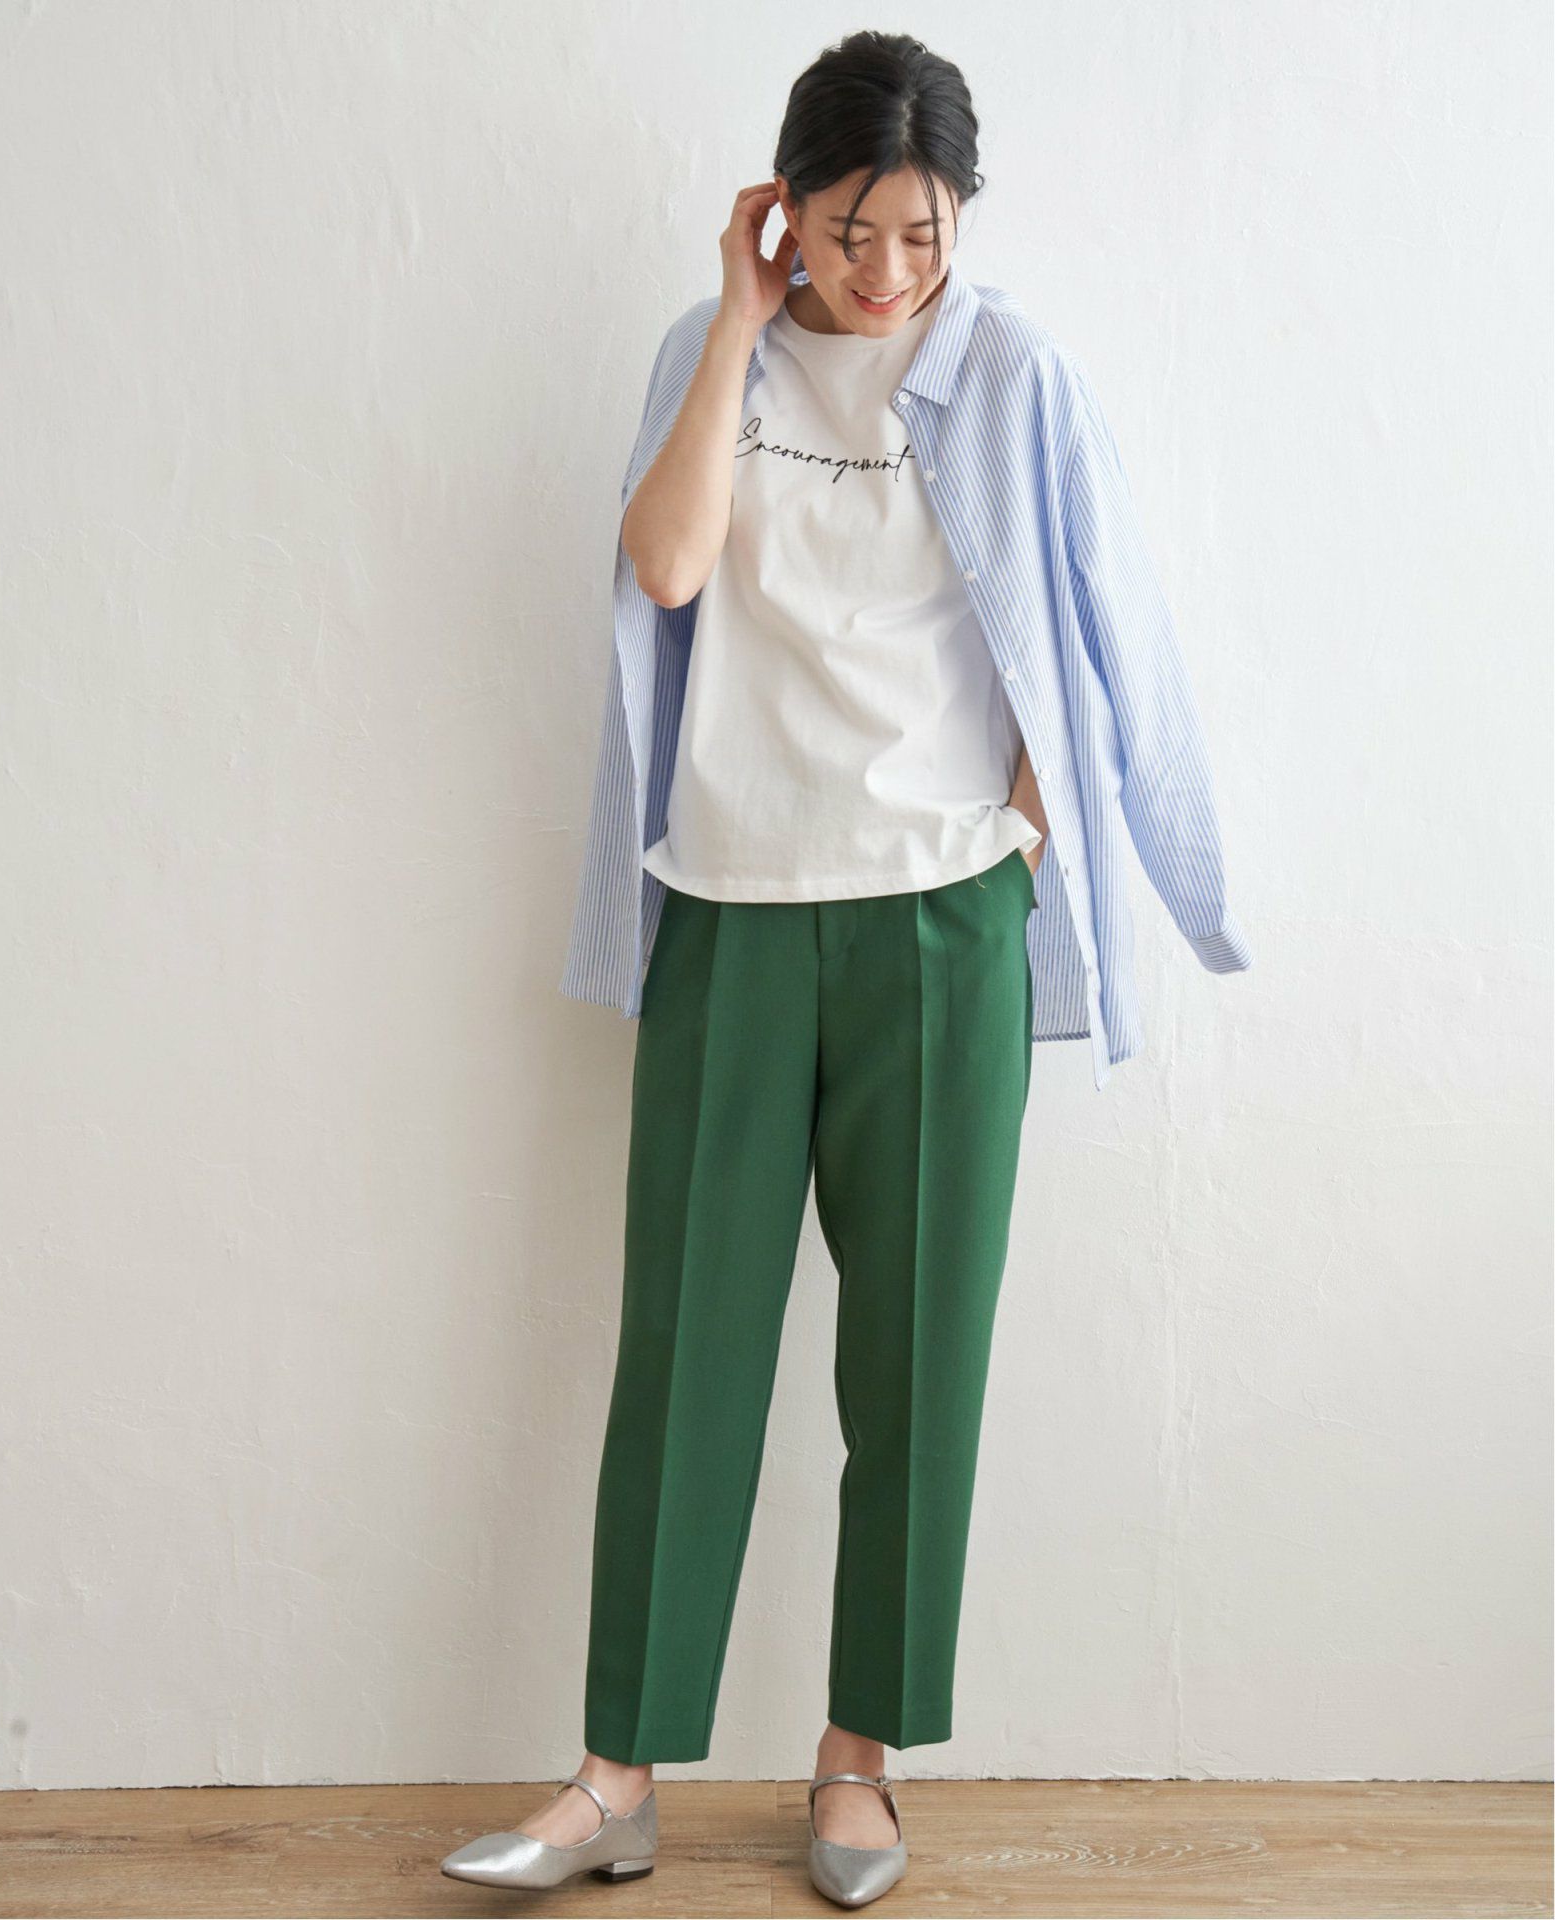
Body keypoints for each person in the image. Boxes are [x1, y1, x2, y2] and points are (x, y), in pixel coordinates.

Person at [443, 28, 1251, 1910]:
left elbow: (1109, 621)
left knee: (916, 1366)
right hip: (728, 912)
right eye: (846, 229)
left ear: (962, 218)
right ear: (780, 211)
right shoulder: (706, 352)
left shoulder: (1018, 376)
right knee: (684, 1357)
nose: (886, 270)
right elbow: (660, 572)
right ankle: (616, 1776)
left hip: (938, 927)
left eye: (922, 230)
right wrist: (738, 328)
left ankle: (859, 1764)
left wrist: (1055, 829)